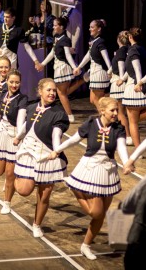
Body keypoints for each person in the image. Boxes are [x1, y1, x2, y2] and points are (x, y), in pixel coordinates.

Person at [48, 97, 129, 260]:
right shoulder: (91, 124)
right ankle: (74, 187)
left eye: (116, 110)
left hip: (108, 171)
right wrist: (57, 150)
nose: (115, 113)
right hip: (89, 168)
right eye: (112, 110)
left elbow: (121, 147)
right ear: (102, 111)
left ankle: (86, 246)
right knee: (96, 212)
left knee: (101, 214)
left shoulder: (119, 128)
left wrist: (127, 162)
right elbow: (73, 140)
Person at [13, 78, 70, 238]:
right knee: (24, 191)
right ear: (40, 92)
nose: (52, 93)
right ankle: (11, 180)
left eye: (54, 90)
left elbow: (56, 133)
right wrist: (18, 137)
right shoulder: (31, 107)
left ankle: (37, 224)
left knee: (44, 195)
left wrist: (57, 149)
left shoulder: (59, 113)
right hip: (28, 152)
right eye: (49, 90)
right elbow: (27, 125)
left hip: (47, 155)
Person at [0, 69, 28, 214]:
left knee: (9, 174)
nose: (14, 85)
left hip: (14, 136)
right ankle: (9, 178)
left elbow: (22, 122)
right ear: (7, 82)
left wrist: (18, 137)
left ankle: (7, 203)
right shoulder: (3, 94)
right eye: (11, 82)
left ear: (20, 83)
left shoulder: (23, 99)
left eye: (17, 82)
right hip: (1, 133)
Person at [26, 17, 82, 123]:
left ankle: (69, 115)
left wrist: (74, 67)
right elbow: (52, 52)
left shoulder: (65, 39)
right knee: (63, 91)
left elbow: (67, 55)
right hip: (57, 66)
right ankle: (82, 80)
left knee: (61, 93)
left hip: (62, 67)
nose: (54, 27)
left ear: (61, 27)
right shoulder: (56, 36)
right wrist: (42, 64)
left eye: (56, 25)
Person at [118, 27, 146, 147]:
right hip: (145, 85)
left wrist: (139, 83)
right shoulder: (142, 49)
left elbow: (137, 68)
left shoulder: (133, 50)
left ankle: (138, 150)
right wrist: (122, 79)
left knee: (132, 121)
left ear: (130, 37)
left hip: (136, 87)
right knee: (134, 119)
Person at [73, 19, 112, 110]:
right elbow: (89, 54)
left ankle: (106, 117)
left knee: (97, 100)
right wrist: (79, 67)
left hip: (99, 72)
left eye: (92, 27)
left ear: (99, 29)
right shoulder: (93, 40)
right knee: (92, 100)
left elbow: (106, 57)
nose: (90, 29)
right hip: (94, 71)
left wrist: (110, 70)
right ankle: (113, 100)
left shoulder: (100, 42)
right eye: (90, 27)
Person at [109, 30, 132, 144]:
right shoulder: (127, 50)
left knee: (121, 112)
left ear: (119, 39)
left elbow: (121, 65)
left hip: (119, 82)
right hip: (121, 80)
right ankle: (124, 134)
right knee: (123, 112)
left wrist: (121, 78)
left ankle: (127, 136)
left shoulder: (121, 51)